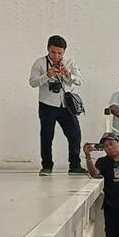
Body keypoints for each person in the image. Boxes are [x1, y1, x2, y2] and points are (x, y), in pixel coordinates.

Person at [29, 35, 84, 176]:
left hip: (66, 105)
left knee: (75, 134)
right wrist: (47, 75)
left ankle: (75, 165)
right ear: (48, 49)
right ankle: (46, 166)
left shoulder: (70, 63)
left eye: (60, 53)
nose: (56, 56)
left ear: (64, 51)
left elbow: (79, 81)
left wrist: (68, 74)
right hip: (47, 104)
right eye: (53, 52)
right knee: (47, 136)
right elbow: (33, 82)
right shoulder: (40, 63)